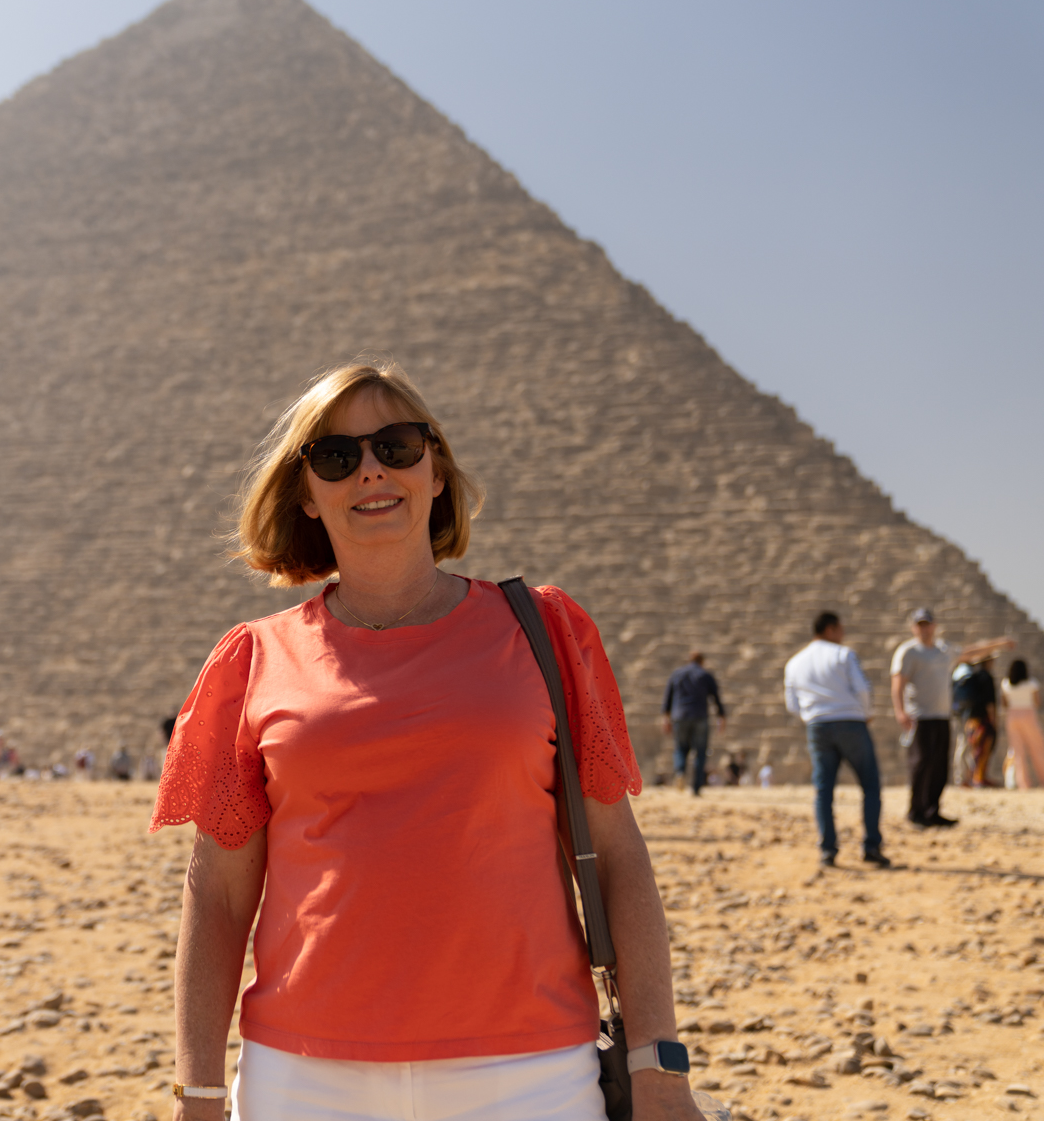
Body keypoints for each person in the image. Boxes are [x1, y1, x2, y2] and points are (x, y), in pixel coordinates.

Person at [152, 363, 700, 1121]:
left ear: (436, 469)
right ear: (306, 494)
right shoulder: (253, 661)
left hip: (531, 1071)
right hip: (306, 1080)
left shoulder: (544, 632)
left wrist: (660, 1069)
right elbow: (215, 894)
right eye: (336, 457)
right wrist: (199, 1092)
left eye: (398, 445)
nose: (371, 469)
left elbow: (617, 856)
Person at [784, 612, 890, 869]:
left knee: (823, 791)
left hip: (818, 726)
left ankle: (828, 851)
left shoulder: (795, 662)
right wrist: (866, 714)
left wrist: (812, 717)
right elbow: (863, 689)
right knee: (870, 786)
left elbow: (792, 704)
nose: (843, 634)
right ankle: (871, 847)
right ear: (830, 629)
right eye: (841, 629)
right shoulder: (843, 655)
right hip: (851, 722)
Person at [890, 608, 1014, 825]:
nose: (924, 629)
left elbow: (971, 652)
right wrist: (900, 711)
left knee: (939, 765)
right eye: (919, 625)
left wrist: (999, 643)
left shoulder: (944, 650)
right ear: (913, 628)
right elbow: (897, 683)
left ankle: (932, 811)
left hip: (942, 716)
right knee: (921, 764)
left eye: (927, 624)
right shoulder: (908, 652)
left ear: (934, 625)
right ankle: (916, 812)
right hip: (920, 717)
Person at [658, 651, 726, 796]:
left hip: (680, 716)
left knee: (680, 748)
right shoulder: (705, 675)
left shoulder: (677, 674)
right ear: (702, 661)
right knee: (700, 752)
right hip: (700, 716)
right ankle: (696, 788)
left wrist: (666, 717)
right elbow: (716, 698)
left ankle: (680, 772)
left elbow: (668, 697)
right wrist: (721, 717)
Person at [998, 660, 1044, 789]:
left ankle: (1023, 784)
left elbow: (1004, 704)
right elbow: (1037, 702)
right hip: (1028, 716)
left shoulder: (1005, 683)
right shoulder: (1032, 683)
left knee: (1018, 752)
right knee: (1039, 749)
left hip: (1012, 717)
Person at [955, 657, 999, 787]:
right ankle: (978, 778)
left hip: (970, 719)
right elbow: (989, 701)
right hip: (983, 720)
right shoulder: (986, 677)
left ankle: (968, 777)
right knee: (983, 749)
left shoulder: (972, 676)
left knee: (972, 748)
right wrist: (993, 719)